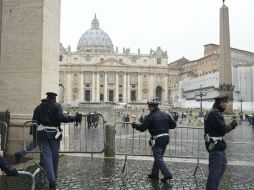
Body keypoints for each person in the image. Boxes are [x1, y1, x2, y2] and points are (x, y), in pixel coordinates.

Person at [34, 92, 82, 190]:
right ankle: (53, 178)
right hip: (54, 135)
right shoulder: (57, 106)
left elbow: (35, 121)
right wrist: (75, 118)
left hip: (42, 134)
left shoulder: (39, 107)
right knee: (54, 157)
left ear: (47, 97)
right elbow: (62, 118)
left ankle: (52, 180)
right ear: (54, 98)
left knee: (47, 157)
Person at [131, 99, 176, 183]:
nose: (148, 109)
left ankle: (167, 174)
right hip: (166, 137)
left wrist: (135, 125)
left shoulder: (149, 116)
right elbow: (174, 125)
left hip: (157, 138)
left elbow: (142, 128)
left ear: (151, 107)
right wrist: (164, 127)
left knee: (158, 157)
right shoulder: (166, 114)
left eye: (149, 107)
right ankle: (154, 174)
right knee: (158, 157)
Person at [204, 95, 238, 190]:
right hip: (216, 147)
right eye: (225, 103)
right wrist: (232, 125)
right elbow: (222, 130)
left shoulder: (213, 112)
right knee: (215, 174)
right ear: (221, 103)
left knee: (217, 170)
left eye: (227, 103)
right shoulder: (215, 113)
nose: (226, 105)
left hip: (217, 146)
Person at [14, 98, 47, 164]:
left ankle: (42, 161)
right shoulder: (43, 109)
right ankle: (20, 154)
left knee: (40, 144)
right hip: (39, 129)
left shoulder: (38, 107)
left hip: (36, 128)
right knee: (39, 144)